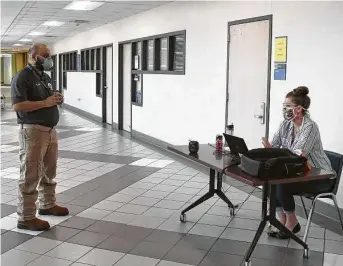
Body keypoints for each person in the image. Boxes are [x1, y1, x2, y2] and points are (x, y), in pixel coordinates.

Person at [262, 86, 334, 239]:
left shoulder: (310, 127)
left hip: (320, 176)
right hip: (299, 171)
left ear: (299, 109)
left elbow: (298, 155)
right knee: (272, 180)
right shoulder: (285, 124)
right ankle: (282, 221)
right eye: (284, 105)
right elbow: (275, 146)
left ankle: (292, 222)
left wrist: (277, 153)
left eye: (287, 106)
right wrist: (269, 149)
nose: (284, 109)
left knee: (282, 182)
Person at [11, 43, 69, 231]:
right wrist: (45, 102)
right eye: (46, 55)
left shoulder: (44, 76)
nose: (49, 58)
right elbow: (18, 106)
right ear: (35, 57)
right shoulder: (22, 77)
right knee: (30, 174)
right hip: (33, 131)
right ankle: (26, 217)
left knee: (48, 171)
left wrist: (56, 98)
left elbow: (47, 99)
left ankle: (47, 204)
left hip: (50, 130)